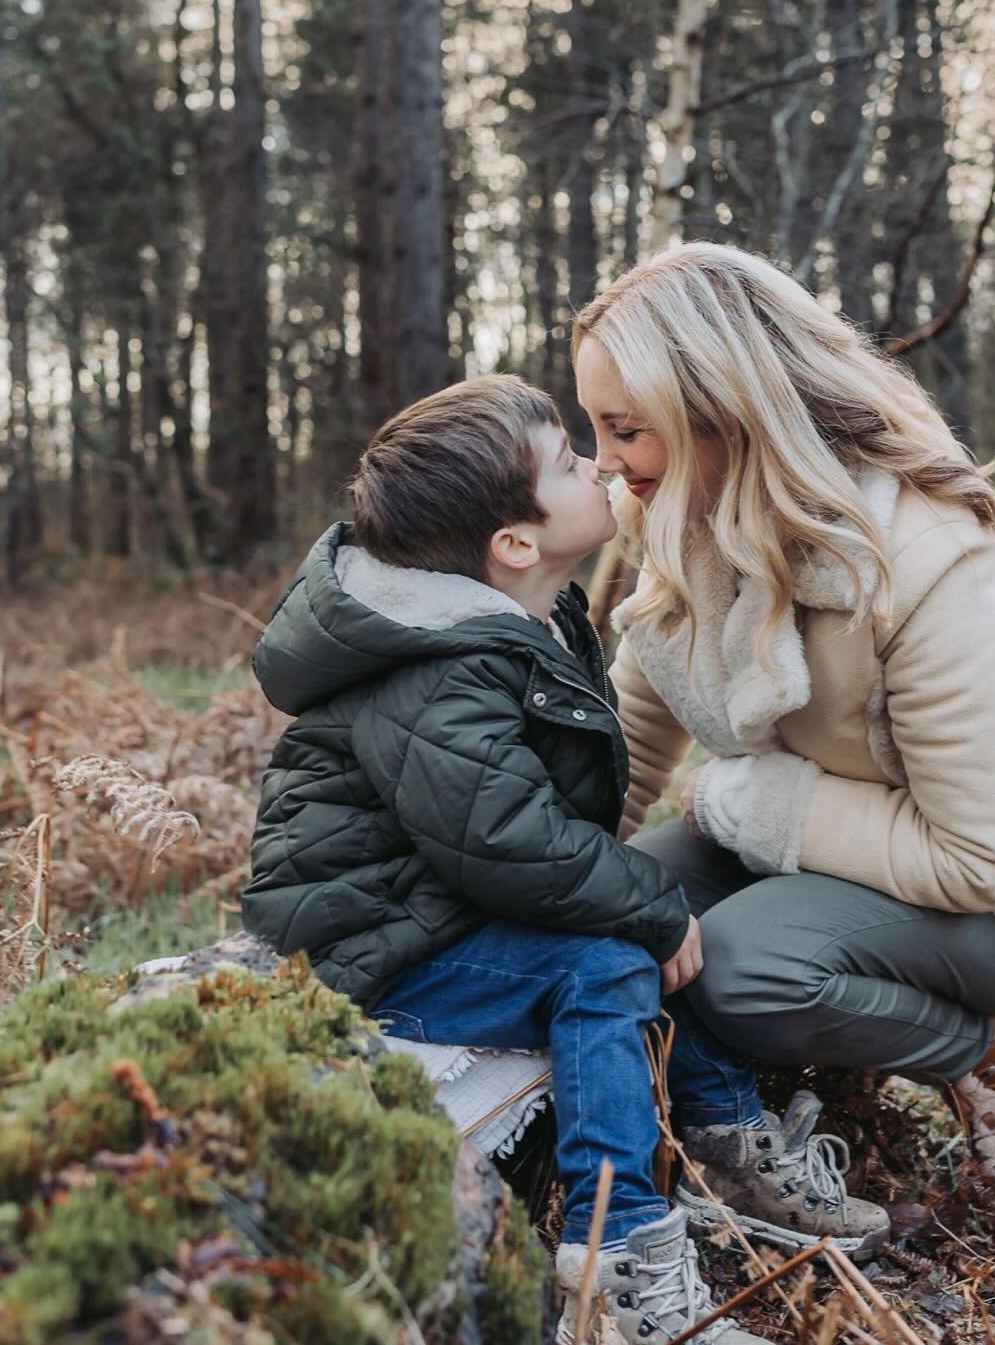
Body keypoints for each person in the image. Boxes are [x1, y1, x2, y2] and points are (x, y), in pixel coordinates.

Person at [240, 375, 884, 1345]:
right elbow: (503, 840)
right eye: (569, 462)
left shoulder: (535, 622)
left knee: (642, 937)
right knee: (612, 956)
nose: (599, 462)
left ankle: (719, 1140)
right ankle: (618, 1263)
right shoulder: (440, 663)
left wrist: (640, 901)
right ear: (515, 543)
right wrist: (649, 904)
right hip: (375, 951)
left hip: (444, 910)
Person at [573, 244, 995, 1205]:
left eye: (625, 429)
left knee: (737, 968)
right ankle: (745, 1115)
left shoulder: (926, 550)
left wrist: (754, 797)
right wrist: (532, 871)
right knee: (632, 909)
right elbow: (635, 745)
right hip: (858, 827)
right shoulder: (681, 510)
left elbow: (977, 857)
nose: (603, 462)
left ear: (722, 409)